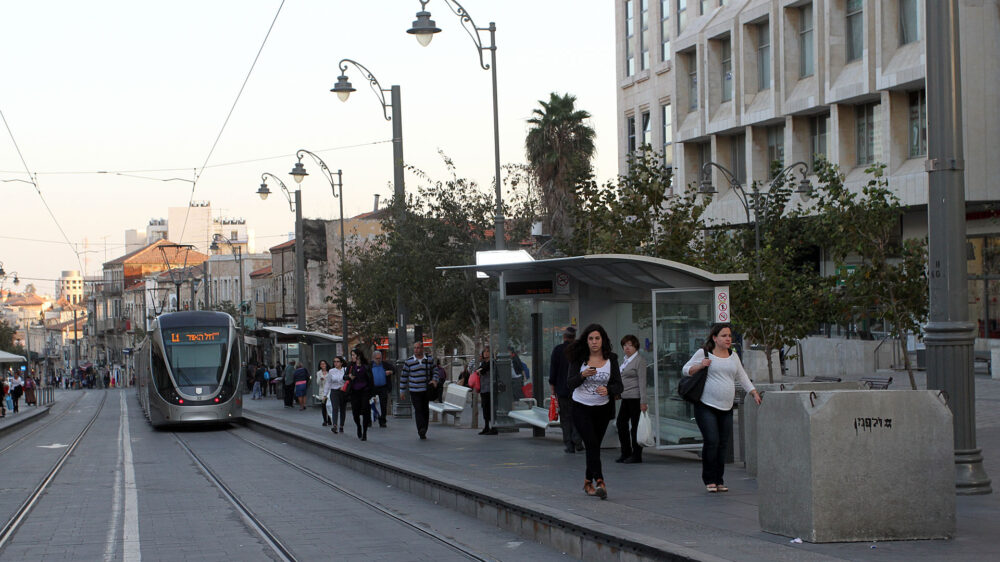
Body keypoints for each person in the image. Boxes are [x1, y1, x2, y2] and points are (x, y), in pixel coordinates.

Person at [682, 323, 761, 493]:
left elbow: (742, 376)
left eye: (730, 336)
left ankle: (719, 479)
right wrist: (701, 365)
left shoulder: (733, 356)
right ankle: (709, 479)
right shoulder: (703, 353)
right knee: (712, 441)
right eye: (724, 336)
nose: (728, 339)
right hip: (706, 406)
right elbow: (685, 369)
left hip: (726, 407)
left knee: (723, 444)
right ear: (715, 338)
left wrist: (753, 392)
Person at [566, 323, 623, 500]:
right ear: (586, 341)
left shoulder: (611, 359)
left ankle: (587, 482)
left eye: (597, 338)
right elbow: (570, 383)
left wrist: (609, 390)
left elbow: (618, 385)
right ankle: (600, 481)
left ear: (603, 340)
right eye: (590, 339)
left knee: (594, 446)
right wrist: (583, 376)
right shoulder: (579, 359)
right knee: (591, 444)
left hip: (603, 409)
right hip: (581, 407)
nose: (594, 342)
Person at [616, 334, 649, 464]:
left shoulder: (639, 360)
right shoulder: (625, 360)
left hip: (635, 398)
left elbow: (642, 381)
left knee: (635, 427)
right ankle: (625, 452)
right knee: (620, 424)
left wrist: (643, 401)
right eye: (624, 345)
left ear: (636, 346)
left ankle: (637, 455)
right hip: (625, 397)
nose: (627, 348)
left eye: (630, 345)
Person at [549, 327, 583, 453]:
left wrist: (553, 386)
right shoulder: (580, 350)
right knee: (577, 415)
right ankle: (578, 440)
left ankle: (569, 444)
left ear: (564, 337)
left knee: (565, 417)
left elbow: (553, 369)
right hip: (578, 388)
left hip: (562, 388)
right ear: (574, 337)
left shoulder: (558, 350)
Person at [399, 342, 439, 440]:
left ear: (422, 348)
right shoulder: (409, 361)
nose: (416, 350)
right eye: (415, 348)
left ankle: (424, 428)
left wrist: (434, 380)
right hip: (414, 390)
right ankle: (421, 429)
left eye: (418, 348)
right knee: (418, 410)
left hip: (426, 390)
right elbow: (404, 376)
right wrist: (402, 390)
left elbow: (436, 371)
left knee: (425, 410)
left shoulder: (429, 360)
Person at [346, 349, 374, 440]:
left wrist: (371, 392)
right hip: (354, 392)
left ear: (358, 356)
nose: (352, 357)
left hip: (365, 391)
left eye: (353, 355)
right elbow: (344, 376)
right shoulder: (350, 366)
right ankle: (358, 426)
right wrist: (349, 376)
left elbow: (371, 379)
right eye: (352, 355)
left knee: (365, 410)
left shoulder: (366, 366)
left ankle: (365, 432)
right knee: (355, 413)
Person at [473, 346, 495, 435]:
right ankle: (486, 426)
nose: (486, 353)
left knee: (490, 408)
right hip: (483, 389)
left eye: (488, 351)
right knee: (485, 408)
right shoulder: (483, 363)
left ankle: (493, 427)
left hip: (490, 389)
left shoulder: (492, 362)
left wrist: (480, 370)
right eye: (484, 351)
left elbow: (483, 370)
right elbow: (477, 370)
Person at [370, 350, 394, 428]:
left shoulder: (385, 364)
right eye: (377, 358)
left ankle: (382, 420)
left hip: (383, 387)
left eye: (380, 358)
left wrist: (391, 372)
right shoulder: (369, 365)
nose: (378, 360)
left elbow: (394, 369)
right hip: (372, 388)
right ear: (373, 358)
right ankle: (369, 420)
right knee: (370, 404)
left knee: (383, 405)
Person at [325, 356, 348, 434]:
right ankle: (334, 425)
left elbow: (347, 381)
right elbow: (328, 382)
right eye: (334, 361)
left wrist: (344, 387)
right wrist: (325, 394)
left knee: (342, 409)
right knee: (334, 408)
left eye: (338, 361)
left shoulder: (345, 370)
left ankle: (341, 426)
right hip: (334, 391)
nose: (336, 363)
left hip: (343, 392)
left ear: (341, 362)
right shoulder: (331, 371)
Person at [316, 360, 332, 426]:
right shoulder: (318, 373)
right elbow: (317, 383)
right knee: (323, 406)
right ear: (320, 366)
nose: (323, 365)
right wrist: (320, 379)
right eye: (321, 364)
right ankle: (325, 421)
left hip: (329, 391)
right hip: (322, 391)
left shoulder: (330, 372)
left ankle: (329, 419)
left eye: (324, 364)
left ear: (326, 364)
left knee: (328, 405)